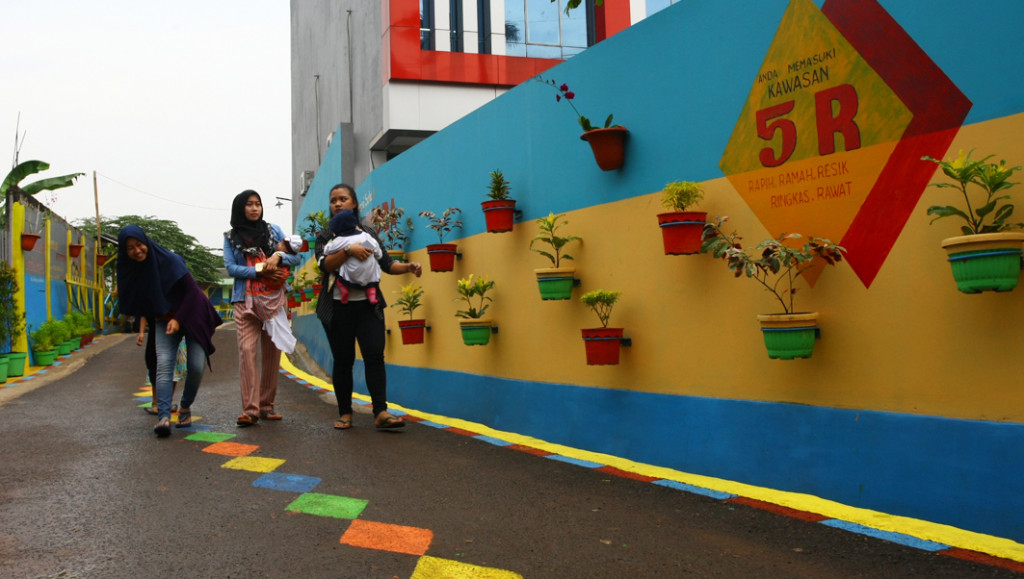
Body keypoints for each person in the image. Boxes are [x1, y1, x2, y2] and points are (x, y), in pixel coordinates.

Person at [314, 183, 422, 431]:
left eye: (343, 199)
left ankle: (380, 412)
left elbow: (386, 263)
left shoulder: (369, 232)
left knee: (374, 356)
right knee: (343, 359)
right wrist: (348, 249)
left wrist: (408, 267)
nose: (337, 204)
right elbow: (325, 265)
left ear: (354, 204)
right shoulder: (325, 235)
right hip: (337, 308)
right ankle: (345, 413)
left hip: (368, 306)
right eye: (333, 200)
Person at [117, 225, 222, 437]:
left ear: (146, 242)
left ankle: (184, 407)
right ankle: (164, 417)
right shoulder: (134, 271)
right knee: (163, 365)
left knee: (196, 366)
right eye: (130, 248)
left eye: (139, 244)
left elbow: (193, 292)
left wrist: (178, 318)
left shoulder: (170, 260)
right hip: (163, 319)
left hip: (192, 315)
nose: (136, 250)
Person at [223, 190, 301, 427]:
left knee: (271, 352)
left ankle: (266, 406)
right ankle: (250, 410)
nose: (255, 208)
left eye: (258, 204)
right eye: (249, 204)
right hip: (244, 301)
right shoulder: (230, 237)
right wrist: (259, 270)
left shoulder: (273, 231)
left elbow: (296, 258)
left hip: (274, 300)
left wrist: (277, 258)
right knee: (247, 352)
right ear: (240, 208)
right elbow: (231, 268)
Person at [322, 209, 383, 304]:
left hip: (351, 275)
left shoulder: (339, 240)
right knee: (373, 267)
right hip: (368, 274)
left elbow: (327, 250)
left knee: (341, 271)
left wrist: (326, 247)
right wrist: (374, 253)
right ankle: (371, 294)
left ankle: (344, 288)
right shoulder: (365, 236)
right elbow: (375, 246)